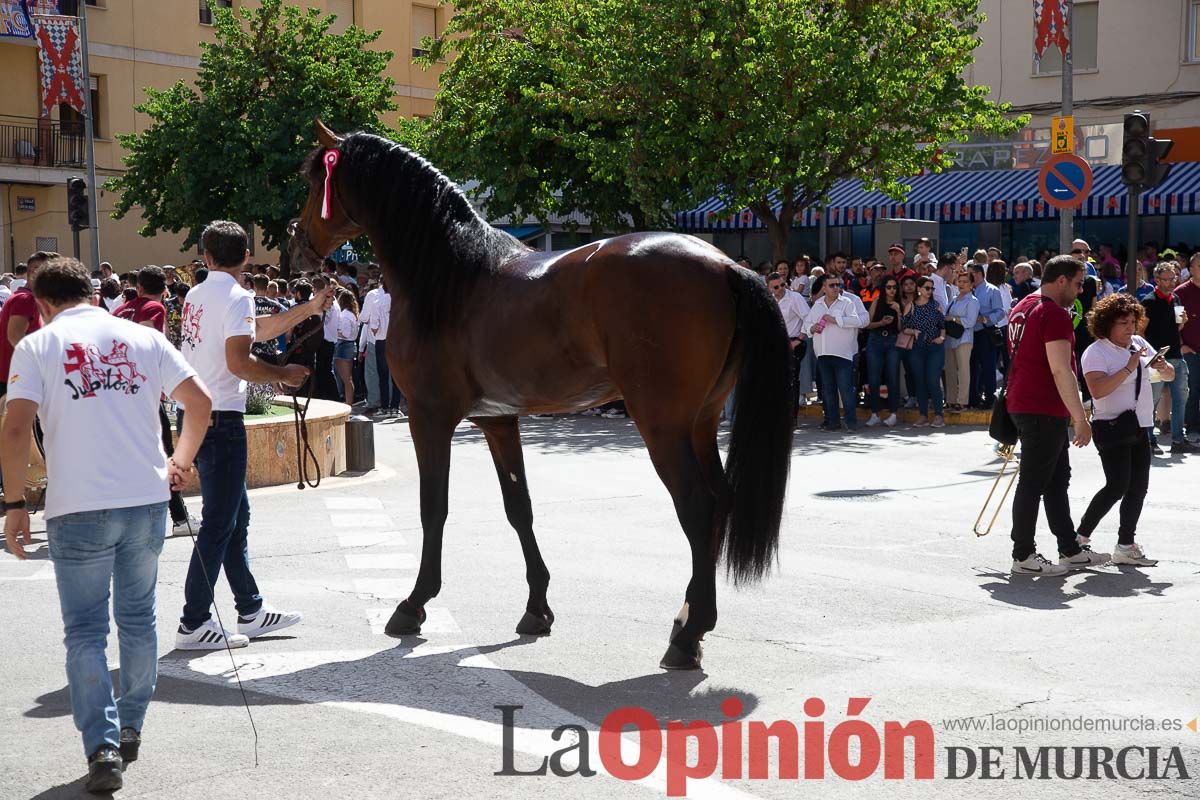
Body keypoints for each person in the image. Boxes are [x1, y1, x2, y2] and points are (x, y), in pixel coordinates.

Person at [2, 256, 212, 792]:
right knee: (139, 620)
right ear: (92, 293)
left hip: (77, 507)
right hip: (144, 501)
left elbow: (16, 427)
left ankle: (103, 746)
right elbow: (199, 402)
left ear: (42, 302)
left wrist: (15, 503)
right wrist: (180, 461)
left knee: (86, 632)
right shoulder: (141, 338)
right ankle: (133, 723)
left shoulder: (37, 346)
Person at [174, 221, 330, 651]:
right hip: (222, 421)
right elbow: (241, 362)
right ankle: (193, 622)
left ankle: (250, 609)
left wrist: (308, 308)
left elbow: (257, 329)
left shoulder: (197, 294)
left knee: (234, 519)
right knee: (221, 523)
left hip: (200, 416)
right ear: (247, 256)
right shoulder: (237, 296)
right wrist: (282, 373)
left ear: (206, 257)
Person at [1005, 255, 1107, 576]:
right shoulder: (1054, 313)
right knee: (1034, 483)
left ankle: (1069, 548)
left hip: (1027, 401)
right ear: (1061, 280)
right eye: (1078, 284)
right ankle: (1023, 554)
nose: (1080, 291)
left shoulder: (1023, 305)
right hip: (1042, 406)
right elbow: (1061, 369)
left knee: (1056, 480)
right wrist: (1080, 417)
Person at [1075, 293, 1169, 567]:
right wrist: (1129, 367)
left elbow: (1168, 375)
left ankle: (1126, 545)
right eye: (1123, 323)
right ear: (1106, 325)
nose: (1130, 328)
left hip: (1140, 425)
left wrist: (1164, 368)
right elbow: (1097, 390)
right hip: (1111, 426)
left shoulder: (1138, 344)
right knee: (1117, 485)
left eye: (1132, 322)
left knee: (1138, 488)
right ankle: (1079, 537)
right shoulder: (1096, 352)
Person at [114, 266, 201, 535]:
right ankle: (179, 518)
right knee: (164, 452)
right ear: (165, 289)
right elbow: (147, 335)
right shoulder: (155, 308)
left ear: (138, 287)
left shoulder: (119, 310)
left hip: (117, 388)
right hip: (142, 389)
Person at [1141, 263, 1194, 454]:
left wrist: (1183, 323)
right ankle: (1148, 439)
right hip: (1156, 359)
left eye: (1173, 279)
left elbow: (1178, 326)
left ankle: (1178, 439)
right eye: (1167, 279)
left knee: (1181, 398)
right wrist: (1148, 355)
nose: (1172, 282)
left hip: (1176, 356)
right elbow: (1140, 331)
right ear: (1157, 280)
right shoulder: (1149, 301)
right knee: (1152, 400)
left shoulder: (1176, 298)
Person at [804, 273, 867, 431]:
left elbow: (856, 321)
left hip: (843, 354)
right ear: (824, 288)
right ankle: (832, 422)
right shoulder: (818, 304)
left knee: (846, 390)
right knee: (828, 390)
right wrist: (813, 328)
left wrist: (835, 320)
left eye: (838, 285)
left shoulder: (847, 302)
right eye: (831, 285)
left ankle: (851, 422)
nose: (836, 288)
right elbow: (806, 325)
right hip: (823, 354)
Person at [0, 251, 54, 401]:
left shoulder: (24, 297)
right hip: (15, 378)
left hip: (14, 376)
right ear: (34, 272)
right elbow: (14, 336)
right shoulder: (26, 299)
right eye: (51, 272)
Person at [901, 277, 947, 428]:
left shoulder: (936, 305)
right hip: (917, 348)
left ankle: (939, 414)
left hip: (935, 347)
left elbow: (942, 325)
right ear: (919, 289)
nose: (930, 291)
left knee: (933, 380)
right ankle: (923, 415)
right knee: (920, 381)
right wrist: (913, 331)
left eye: (932, 289)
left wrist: (941, 337)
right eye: (927, 288)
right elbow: (903, 327)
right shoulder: (911, 306)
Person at [768, 273, 810, 422]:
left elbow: (808, 318)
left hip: (794, 342)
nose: (780, 289)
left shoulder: (795, 298)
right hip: (775, 344)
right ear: (770, 288)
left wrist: (799, 339)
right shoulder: (770, 300)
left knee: (791, 380)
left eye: (782, 285)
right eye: (776, 287)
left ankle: (792, 418)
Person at [968, 261, 1007, 409]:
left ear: (978, 274)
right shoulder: (967, 289)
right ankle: (973, 397)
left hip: (985, 333)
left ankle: (989, 398)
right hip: (970, 333)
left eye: (971, 274)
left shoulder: (992, 290)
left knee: (988, 367)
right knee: (972, 367)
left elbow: (1000, 312)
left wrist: (985, 318)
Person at [864, 274, 901, 427]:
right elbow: (867, 324)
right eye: (888, 287)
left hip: (893, 340)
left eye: (894, 287)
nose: (891, 290)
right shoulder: (877, 302)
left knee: (893, 377)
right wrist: (881, 323)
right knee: (874, 378)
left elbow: (901, 329)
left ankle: (893, 413)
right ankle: (875, 413)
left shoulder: (900, 303)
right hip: (876, 340)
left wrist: (898, 312)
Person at [944, 271, 980, 413]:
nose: (962, 284)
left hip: (964, 339)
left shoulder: (973, 301)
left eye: (965, 282)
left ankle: (962, 402)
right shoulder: (953, 299)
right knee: (950, 371)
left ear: (971, 285)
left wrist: (953, 318)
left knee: (964, 371)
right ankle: (951, 400)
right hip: (949, 339)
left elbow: (970, 322)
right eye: (960, 281)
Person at [1175, 252, 1200, 443]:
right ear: (1190, 270)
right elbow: (1174, 323)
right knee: (1193, 390)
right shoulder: (1181, 293)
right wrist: (1181, 345)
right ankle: (1192, 428)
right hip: (1190, 350)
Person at [332, 288, 360, 407]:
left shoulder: (345, 315)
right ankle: (348, 402)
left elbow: (346, 334)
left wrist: (334, 331)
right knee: (347, 378)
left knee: (345, 378)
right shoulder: (353, 314)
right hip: (350, 345)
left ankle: (348, 403)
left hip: (344, 345)